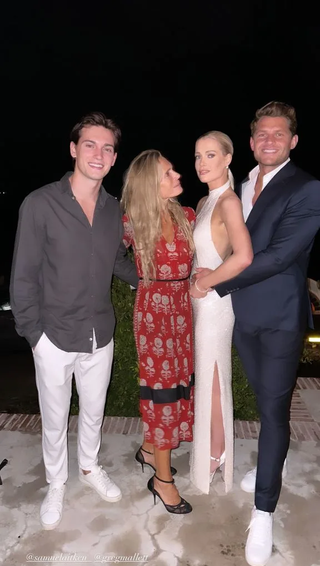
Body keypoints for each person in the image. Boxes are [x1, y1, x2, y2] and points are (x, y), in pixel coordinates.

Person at [195, 102, 320, 566]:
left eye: (279, 133)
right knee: (264, 400)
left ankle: (264, 509)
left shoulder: (307, 188)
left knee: (273, 409)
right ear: (250, 143)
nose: (269, 140)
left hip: (280, 317)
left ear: (292, 141)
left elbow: (277, 256)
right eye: (261, 133)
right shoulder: (240, 186)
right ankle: (277, 457)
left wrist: (214, 281)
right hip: (239, 317)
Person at [10, 112, 138, 530]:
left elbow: (119, 262)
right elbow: (23, 276)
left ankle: (88, 467)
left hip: (100, 332)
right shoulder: (40, 203)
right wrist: (35, 336)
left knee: (94, 412)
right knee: (53, 415)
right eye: (90, 145)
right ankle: (56, 483)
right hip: (53, 336)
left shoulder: (114, 210)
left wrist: (157, 279)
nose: (98, 154)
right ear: (73, 149)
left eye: (107, 148)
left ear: (114, 157)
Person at [121, 149, 195, 514]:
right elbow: (101, 255)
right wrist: (140, 280)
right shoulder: (133, 222)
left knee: (177, 386)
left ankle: (151, 449)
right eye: (168, 173)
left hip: (182, 312)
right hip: (153, 317)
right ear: (151, 184)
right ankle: (162, 481)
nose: (177, 174)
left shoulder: (187, 216)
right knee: (162, 394)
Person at [189, 132, 253, 494]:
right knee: (209, 380)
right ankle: (216, 449)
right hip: (201, 301)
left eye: (210, 155)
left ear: (228, 158)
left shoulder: (228, 201)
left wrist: (206, 282)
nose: (201, 163)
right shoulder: (204, 201)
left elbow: (244, 256)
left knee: (213, 382)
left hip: (214, 304)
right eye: (198, 156)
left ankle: (216, 453)